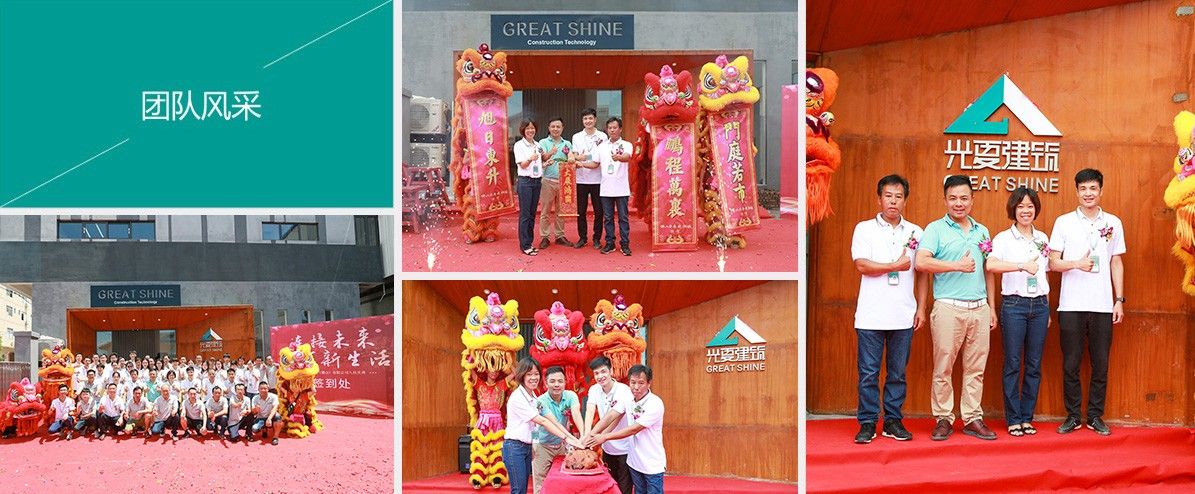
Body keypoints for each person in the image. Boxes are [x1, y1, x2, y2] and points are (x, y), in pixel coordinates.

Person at [915, 175, 998, 441]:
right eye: (953, 198)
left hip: (979, 308)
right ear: (945, 200)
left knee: (976, 368)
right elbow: (921, 262)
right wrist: (956, 266)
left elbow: (988, 270)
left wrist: (991, 307)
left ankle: (972, 417)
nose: (958, 203)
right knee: (943, 367)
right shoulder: (935, 229)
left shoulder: (982, 231)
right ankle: (943, 418)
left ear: (972, 200)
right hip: (948, 307)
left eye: (963, 198)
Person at [1048, 168, 1126, 436]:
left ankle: (1094, 416)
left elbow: (1116, 261)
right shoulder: (1064, 222)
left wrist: (1119, 299)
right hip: (1071, 305)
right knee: (1071, 363)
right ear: (1077, 192)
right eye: (1083, 189)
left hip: (1103, 305)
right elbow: (1053, 262)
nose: (1088, 193)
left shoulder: (1113, 222)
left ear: (1101, 191)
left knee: (1100, 364)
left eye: (1093, 188)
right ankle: (1072, 416)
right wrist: (1076, 264)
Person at [850, 174, 927, 443]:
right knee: (868, 373)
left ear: (905, 200)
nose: (893, 201)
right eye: (888, 196)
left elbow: (922, 273)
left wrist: (921, 307)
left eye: (898, 196)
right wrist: (894, 266)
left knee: (897, 373)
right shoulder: (864, 229)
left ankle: (892, 421)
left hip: (903, 314)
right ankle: (868, 422)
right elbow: (861, 265)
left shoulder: (916, 232)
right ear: (879, 199)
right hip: (870, 315)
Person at [986, 187, 1052, 437]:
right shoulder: (1003, 238)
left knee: (1034, 364)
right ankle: (1013, 418)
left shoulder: (1042, 238)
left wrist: (1047, 308)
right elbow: (991, 265)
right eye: (1021, 206)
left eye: (1030, 206)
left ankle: (1027, 417)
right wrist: (1021, 266)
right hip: (1014, 305)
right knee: (1013, 363)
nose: (1026, 211)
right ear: (1013, 209)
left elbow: (1044, 274)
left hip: (1040, 306)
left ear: (1036, 209)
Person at [589, 365, 666, 494]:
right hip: (634, 462)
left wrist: (605, 436)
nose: (636, 387)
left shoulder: (655, 403)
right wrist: (591, 435)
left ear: (649, 383)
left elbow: (634, 429)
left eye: (641, 383)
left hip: (652, 464)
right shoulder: (627, 398)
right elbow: (611, 415)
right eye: (633, 382)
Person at [581, 356, 635, 493]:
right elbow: (590, 411)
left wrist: (597, 436)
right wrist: (587, 435)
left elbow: (614, 417)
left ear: (610, 371)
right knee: (610, 487)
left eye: (603, 371)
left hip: (625, 447)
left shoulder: (623, 390)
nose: (600, 376)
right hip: (607, 447)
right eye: (596, 373)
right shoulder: (594, 389)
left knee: (624, 488)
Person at [531, 366, 586, 493]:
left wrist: (583, 435)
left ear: (565, 382)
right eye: (552, 381)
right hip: (542, 446)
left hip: (561, 445)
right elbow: (536, 425)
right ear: (546, 383)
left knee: (562, 480)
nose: (556, 385)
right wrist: (534, 445)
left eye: (560, 381)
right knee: (540, 482)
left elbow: (576, 413)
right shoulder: (540, 401)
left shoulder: (571, 395)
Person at [572, 107, 609, 249]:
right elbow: (574, 155)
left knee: (599, 211)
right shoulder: (576, 137)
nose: (588, 121)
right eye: (585, 119)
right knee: (580, 211)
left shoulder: (602, 136)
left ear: (595, 120)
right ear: (582, 121)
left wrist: (584, 159)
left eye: (590, 118)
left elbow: (602, 157)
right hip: (581, 179)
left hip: (598, 179)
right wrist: (578, 158)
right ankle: (582, 238)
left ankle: (596, 238)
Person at [537, 117, 575, 249]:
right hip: (547, 180)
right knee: (545, 211)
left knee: (561, 211)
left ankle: (560, 236)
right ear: (549, 128)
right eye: (553, 126)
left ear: (562, 128)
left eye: (558, 126)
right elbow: (541, 158)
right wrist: (551, 153)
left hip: (564, 182)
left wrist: (572, 158)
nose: (555, 129)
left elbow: (570, 156)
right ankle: (545, 237)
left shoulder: (567, 144)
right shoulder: (543, 142)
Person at [598, 117, 633, 256]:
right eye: (610, 128)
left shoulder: (626, 144)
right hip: (606, 188)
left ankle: (625, 244)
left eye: (614, 127)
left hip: (621, 188)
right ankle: (610, 243)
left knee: (623, 217)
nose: (612, 130)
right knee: (608, 218)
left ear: (620, 129)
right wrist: (579, 164)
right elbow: (595, 163)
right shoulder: (601, 146)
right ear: (607, 130)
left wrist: (619, 158)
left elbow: (627, 157)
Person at [514, 119, 544, 256]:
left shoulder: (538, 145)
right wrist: (531, 158)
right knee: (525, 215)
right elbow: (523, 165)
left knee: (532, 214)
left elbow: (538, 164)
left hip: (537, 181)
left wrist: (545, 163)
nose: (530, 131)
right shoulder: (519, 145)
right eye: (528, 128)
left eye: (532, 128)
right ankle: (525, 245)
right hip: (525, 182)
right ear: (523, 130)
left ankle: (530, 243)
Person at [250, 381, 283, 445]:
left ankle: (275, 437)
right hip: (260, 418)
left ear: (268, 389)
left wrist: (269, 418)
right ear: (258, 389)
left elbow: (275, 408)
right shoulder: (255, 398)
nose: (263, 390)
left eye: (265, 388)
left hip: (271, 416)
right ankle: (264, 429)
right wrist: (255, 410)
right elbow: (253, 412)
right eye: (261, 389)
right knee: (254, 429)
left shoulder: (274, 396)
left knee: (278, 417)